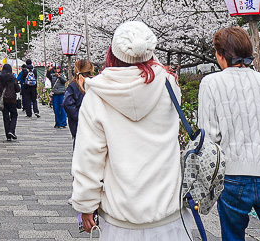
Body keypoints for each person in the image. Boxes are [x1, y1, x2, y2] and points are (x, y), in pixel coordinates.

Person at [72, 20, 188, 239]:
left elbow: (89, 155)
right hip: (168, 210)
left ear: (114, 53)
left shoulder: (97, 94)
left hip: (120, 216)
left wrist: (86, 203)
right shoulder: (169, 86)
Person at [197, 26, 260, 241]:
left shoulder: (211, 83)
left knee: (233, 236)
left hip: (233, 175)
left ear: (221, 55)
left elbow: (209, 138)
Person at [63, 58, 95, 142]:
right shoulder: (96, 83)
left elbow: (67, 103)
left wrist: (78, 116)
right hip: (95, 122)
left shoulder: (74, 85)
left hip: (78, 124)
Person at [0, 63, 21, 140]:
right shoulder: (13, 77)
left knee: (5, 117)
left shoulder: (0, 77)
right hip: (12, 99)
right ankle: (11, 130)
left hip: (3, 100)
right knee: (14, 115)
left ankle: (8, 136)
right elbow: (17, 89)